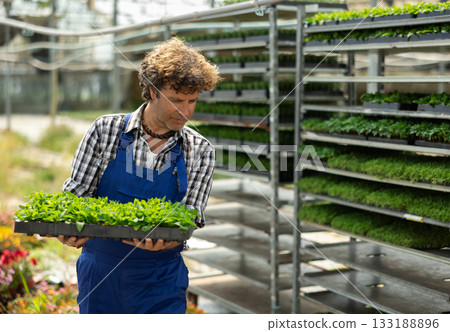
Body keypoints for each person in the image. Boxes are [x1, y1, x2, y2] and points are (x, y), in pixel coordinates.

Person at [58, 37, 220, 314]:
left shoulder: (200, 149)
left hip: (161, 278)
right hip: (101, 274)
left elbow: (191, 214)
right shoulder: (105, 131)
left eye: (193, 101)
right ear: (153, 91)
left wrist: (170, 238)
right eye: (177, 100)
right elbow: (75, 196)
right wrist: (68, 226)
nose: (186, 111)